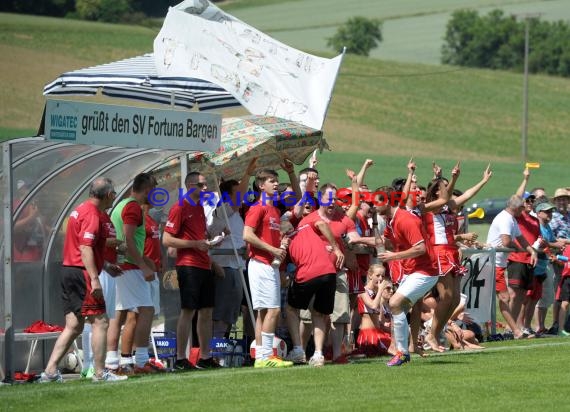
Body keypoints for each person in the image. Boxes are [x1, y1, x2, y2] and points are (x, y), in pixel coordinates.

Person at [39, 177, 126, 383]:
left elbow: (86, 246)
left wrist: (105, 266)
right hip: (82, 273)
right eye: (113, 192)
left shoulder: (80, 209)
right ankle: (99, 373)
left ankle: (50, 372)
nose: (114, 196)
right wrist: (95, 279)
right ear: (107, 195)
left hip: (68, 270)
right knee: (101, 322)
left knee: (74, 325)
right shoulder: (93, 215)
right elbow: (85, 248)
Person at [376, 187, 440, 367]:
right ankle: (405, 349)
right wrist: (374, 226)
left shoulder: (405, 219)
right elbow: (384, 244)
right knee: (399, 308)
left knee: (395, 304)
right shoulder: (390, 221)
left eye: (377, 201)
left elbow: (421, 248)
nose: (374, 205)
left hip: (426, 271)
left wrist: (393, 257)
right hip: (412, 271)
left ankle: (403, 351)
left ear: (387, 202)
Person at [163, 171, 220, 370]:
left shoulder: (198, 208)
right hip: (188, 265)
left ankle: (205, 356)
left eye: (206, 184)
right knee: (188, 310)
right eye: (201, 185)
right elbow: (167, 239)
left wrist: (210, 240)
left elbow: (198, 237)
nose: (205, 188)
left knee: (206, 311)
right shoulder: (180, 206)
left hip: (204, 264)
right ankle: (180, 358)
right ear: (189, 185)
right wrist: (195, 244)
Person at [106, 173, 157, 374]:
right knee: (147, 310)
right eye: (153, 189)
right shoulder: (133, 207)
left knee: (118, 314)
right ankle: (141, 361)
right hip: (129, 266)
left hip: (120, 265)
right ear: (147, 190)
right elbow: (127, 239)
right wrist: (143, 266)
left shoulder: (120, 205)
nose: (154, 194)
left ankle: (115, 363)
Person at [243, 168, 294, 368]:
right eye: (271, 181)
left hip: (269, 265)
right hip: (260, 264)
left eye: (276, 180)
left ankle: (261, 357)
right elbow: (247, 235)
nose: (275, 184)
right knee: (273, 310)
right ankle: (266, 356)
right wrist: (273, 249)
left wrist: (281, 243)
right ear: (260, 185)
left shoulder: (274, 210)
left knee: (264, 313)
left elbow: (266, 238)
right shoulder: (258, 207)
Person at [285, 204, 344, 367]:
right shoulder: (305, 226)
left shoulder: (303, 224)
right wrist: (336, 248)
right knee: (319, 314)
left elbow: (322, 224)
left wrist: (336, 247)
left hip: (308, 271)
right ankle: (318, 354)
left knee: (291, 308)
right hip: (329, 272)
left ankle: (298, 350)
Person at [486, 195, 538, 339]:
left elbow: (521, 238)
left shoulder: (512, 219)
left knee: (505, 298)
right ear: (517, 207)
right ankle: (515, 331)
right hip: (494, 263)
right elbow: (507, 241)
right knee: (504, 297)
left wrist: (531, 251)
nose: (524, 209)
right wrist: (518, 248)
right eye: (522, 206)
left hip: (499, 264)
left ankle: (513, 330)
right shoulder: (505, 219)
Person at [356, 265, 392, 357]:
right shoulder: (363, 291)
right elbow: (373, 305)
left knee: (396, 345)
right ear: (370, 275)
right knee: (390, 350)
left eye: (383, 276)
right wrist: (380, 290)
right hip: (368, 334)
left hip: (378, 332)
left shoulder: (376, 292)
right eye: (378, 275)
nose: (380, 278)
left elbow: (379, 318)